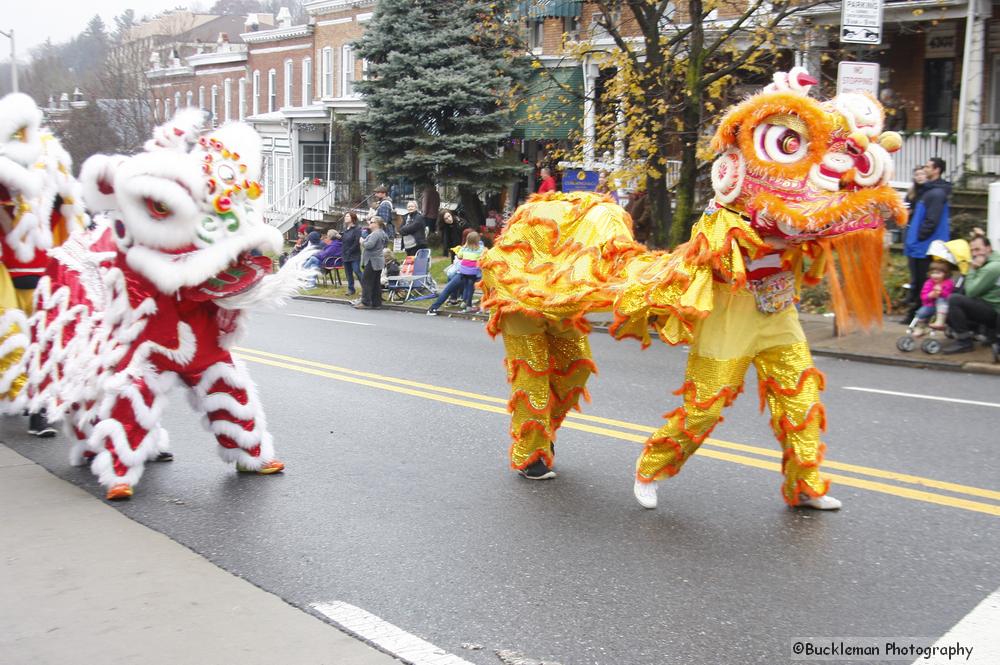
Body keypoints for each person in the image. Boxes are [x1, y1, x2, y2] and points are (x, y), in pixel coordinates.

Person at [903, 157, 951, 322]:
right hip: (920, 245)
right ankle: (915, 314)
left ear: (936, 170)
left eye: (928, 167)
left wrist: (919, 236)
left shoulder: (936, 193)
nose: (925, 169)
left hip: (925, 246)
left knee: (924, 281)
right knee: (918, 280)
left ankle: (918, 316)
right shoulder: (928, 191)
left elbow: (932, 220)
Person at [942, 233, 1000, 354]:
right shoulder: (990, 262)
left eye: (978, 249)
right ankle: (979, 334)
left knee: (954, 299)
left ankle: (964, 342)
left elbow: (971, 291)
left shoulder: (992, 267)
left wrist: (972, 268)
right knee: (949, 299)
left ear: (988, 248)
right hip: (989, 306)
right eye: (972, 250)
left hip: (994, 311)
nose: (974, 254)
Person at [427, 232, 484, 315]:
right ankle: (467, 305)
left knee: (448, 289)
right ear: (478, 240)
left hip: (462, 274)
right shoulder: (481, 250)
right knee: (469, 288)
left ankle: (433, 308)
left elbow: (459, 256)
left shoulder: (464, 248)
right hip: (473, 275)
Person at [909, 260, 955, 336]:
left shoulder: (948, 283)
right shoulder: (928, 283)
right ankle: (920, 328)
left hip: (943, 306)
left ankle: (940, 321)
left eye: (938, 273)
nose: (935, 276)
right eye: (933, 273)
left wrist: (941, 292)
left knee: (941, 300)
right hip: (930, 305)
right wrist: (930, 295)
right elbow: (923, 296)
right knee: (921, 313)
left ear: (945, 274)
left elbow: (949, 295)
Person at [357, 217, 388, 309]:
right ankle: (376, 302)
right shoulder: (382, 233)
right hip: (378, 260)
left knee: (366, 281)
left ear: (377, 224)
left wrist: (362, 242)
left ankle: (366, 302)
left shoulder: (375, 234)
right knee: (375, 282)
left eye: (372, 222)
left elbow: (369, 245)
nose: (369, 223)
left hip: (372, 261)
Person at [340, 212, 364, 297]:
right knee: (348, 272)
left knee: (357, 270)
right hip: (345, 253)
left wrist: (350, 250)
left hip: (354, 254)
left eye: (347, 216)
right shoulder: (345, 229)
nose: (345, 218)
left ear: (352, 218)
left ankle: (365, 288)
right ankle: (351, 289)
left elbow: (357, 241)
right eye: (345, 216)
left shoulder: (357, 229)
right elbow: (344, 240)